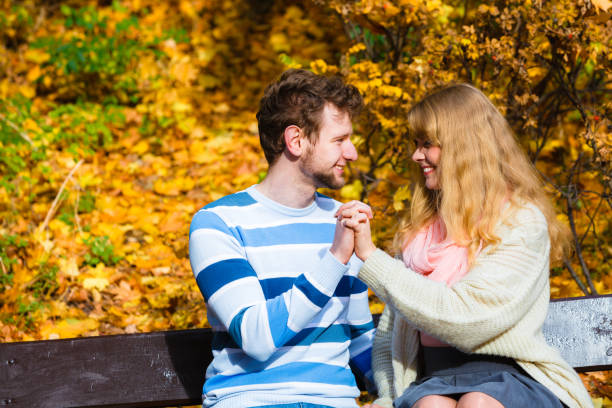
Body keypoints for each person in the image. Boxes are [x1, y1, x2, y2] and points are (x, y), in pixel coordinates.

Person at [336, 84, 593, 408]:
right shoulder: (420, 231)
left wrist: (373, 258)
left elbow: (468, 318)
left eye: (427, 144)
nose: (416, 155)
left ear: (463, 147)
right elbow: (392, 334)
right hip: (431, 381)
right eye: (416, 144)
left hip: (511, 379)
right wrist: (387, 397)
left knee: (478, 403)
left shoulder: (520, 223)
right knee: (431, 405)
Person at [188, 69, 375, 408]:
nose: (352, 153)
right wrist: (334, 260)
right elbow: (256, 337)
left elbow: (360, 338)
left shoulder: (341, 221)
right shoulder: (219, 224)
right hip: (249, 400)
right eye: (339, 140)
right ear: (296, 140)